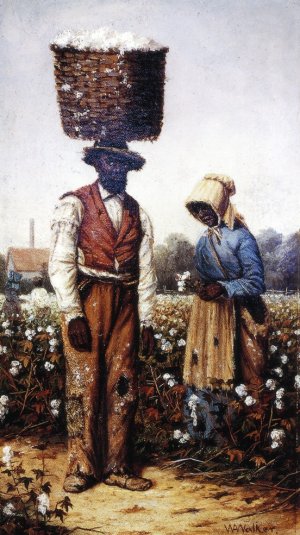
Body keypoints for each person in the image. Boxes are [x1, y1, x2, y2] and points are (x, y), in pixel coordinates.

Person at [48, 139, 156, 493]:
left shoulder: (138, 212)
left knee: (122, 384)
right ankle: (80, 466)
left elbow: (147, 270)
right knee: (83, 383)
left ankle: (117, 466)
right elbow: (61, 262)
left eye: (122, 165)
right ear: (98, 165)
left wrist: (149, 321)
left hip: (125, 302)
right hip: (87, 298)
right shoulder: (74, 204)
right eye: (110, 163)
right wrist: (72, 314)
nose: (117, 170)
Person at [183, 174, 269, 442]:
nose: (203, 214)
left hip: (238, 312)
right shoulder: (202, 240)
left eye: (207, 207)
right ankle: (205, 433)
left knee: (245, 368)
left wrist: (224, 288)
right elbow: (205, 277)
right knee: (205, 366)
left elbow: (255, 282)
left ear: (219, 205)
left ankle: (244, 436)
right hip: (209, 315)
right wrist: (201, 287)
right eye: (197, 209)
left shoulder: (242, 237)